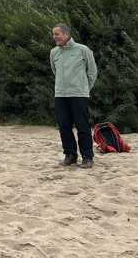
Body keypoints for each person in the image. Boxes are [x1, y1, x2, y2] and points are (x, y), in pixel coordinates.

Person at [51, 23, 98, 169]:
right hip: (60, 95)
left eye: (57, 34)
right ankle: (70, 156)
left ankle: (87, 157)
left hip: (79, 94)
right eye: (53, 34)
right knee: (64, 126)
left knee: (82, 126)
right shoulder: (54, 52)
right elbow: (54, 71)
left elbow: (92, 72)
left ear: (66, 34)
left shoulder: (83, 50)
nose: (54, 37)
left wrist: (84, 89)